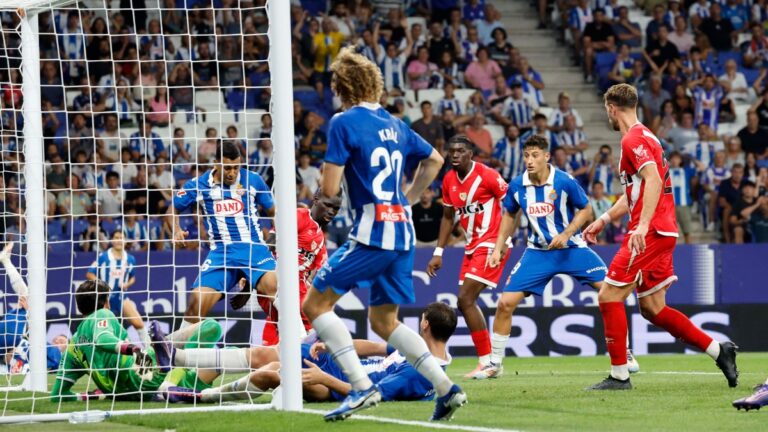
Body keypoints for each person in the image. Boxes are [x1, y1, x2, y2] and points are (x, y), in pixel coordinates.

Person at [299, 47, 465, 422]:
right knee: (384, 322)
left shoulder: (343, 122)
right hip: (403, 233)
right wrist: (406, 199)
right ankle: (447, 389)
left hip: (373, 232)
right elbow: (435, 160)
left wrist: (327, 192)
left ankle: (361, 388)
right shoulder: (396, 124)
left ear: (342, 87)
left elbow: (329, 188)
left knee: (315, 306)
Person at [583, 84, 738, 390]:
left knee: (608, 296)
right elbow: (636, 192)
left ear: (612, 108)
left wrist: (641, 226)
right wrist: (603, 219)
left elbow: (652, 180)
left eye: (607, 111)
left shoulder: (633, 139)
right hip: (661, 231)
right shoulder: (647, 137)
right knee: (653, 308)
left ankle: (619, 375)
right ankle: (720, 351)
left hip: (650, 232)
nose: (608, 116)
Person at [479, 135, 637, 379]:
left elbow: (586, 209)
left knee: (611, 293)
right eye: (526, 155)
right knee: (505, 303)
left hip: (572, 249)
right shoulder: (518, 184)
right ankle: (495, 364)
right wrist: (499, 247)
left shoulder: (564, 181)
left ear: (546, 156)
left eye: (534, 155)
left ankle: (625, 353)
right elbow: (509, 214)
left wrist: (567, 233)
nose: (529, 161)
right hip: (538, 252)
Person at [163, 302, 458, 405]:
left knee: (272, 371)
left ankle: (195, 395)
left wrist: (324, 378)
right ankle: (175, 359)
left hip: (338, 385)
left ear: (425, 324)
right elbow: (376, 346)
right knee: (268, 356)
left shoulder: (420, 373)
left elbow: (372, 394)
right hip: (339, 366)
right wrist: (334, 345)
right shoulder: (418, 350)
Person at [50, 280, 223, 402]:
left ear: (80, 309)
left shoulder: (72, 348)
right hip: (144, 370)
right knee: (212, 327)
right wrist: (132, 348)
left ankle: (172, 370)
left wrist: (92, 395)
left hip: (130, 393)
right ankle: (171, 377)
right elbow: (103, 339)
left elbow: (58, 395)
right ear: (107, 303)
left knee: (218, 359)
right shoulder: (102, 314)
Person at [166, 141, 277, 328]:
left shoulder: (253, 180)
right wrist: (176, 229)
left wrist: (275, 240)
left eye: (236, 167)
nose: (232, 173)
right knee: (196, 304)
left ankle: (300, 340)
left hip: (253, 250)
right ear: (216, 163)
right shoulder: (198, 184)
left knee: (275, 289)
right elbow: (172, 209)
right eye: (227, 168)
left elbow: (275, 212)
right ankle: (174, 352)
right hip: (221, 254)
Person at [426, 135, 509, 379]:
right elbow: (448, 217)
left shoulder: (488, 175)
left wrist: (501, 243)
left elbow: (512, 206)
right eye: (451, 150)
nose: (454, 155)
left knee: (465, 298)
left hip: (492, 242)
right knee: (465, 302)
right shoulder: (449, 179)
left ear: (471, 154)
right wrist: (438, 252)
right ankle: (489, 362)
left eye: (460, 151)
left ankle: (488, 363)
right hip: (471, 246)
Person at [256, 191, 342, 346]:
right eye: (328, 205)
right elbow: (271, 242)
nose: (331, 211)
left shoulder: (320, 239)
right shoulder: (300, 216)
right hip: (282, 285)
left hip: (298, 292)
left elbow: (323, 276)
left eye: (336, 209)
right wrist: (255, 274)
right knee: (312, 341)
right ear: (315, 199)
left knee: (296, 345)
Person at [0, 243, 66, 374]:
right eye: (58, 338)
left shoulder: (56, 356)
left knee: (29, 301)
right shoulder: (42, 345)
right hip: (12, 333)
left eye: (63, 341)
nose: (58, 340)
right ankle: (5, 260)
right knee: (27, 298)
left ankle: (6, 260)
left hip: (12, 335)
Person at [86, 231, 147, 347]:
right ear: (112, 240)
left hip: (122, 297)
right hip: (104, 300)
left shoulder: (130, 259)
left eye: (121, 238)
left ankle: (153, 353)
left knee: (139, 323)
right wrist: (102, 285)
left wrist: (127, 285)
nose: (119, 240)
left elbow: (132, 278)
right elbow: (89, 274)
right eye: (116, 237)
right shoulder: (103, 257)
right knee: (103, 329)